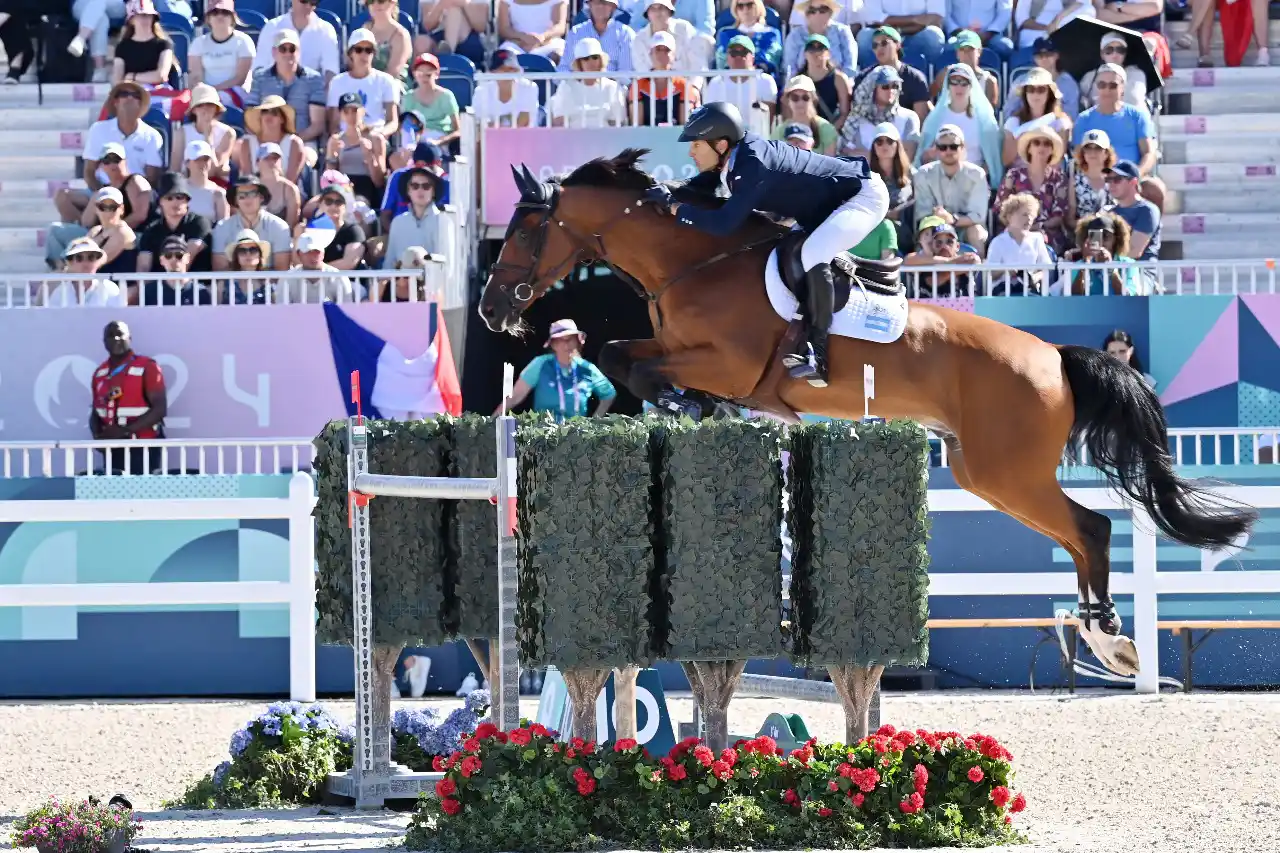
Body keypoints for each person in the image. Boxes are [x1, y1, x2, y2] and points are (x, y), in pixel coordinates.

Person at [643, 101, 889, 387]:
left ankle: (816, 353)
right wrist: (665, 188)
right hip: (823, 208)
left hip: (861, 197)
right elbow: (700, 185)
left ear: (721, 144)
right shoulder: (734, 159)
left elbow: (724, 225)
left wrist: (675, 209)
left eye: (696, 145)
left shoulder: (752, 164)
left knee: (812, 254)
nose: (691, 151)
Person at [494, 319, 617, 422]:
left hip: (576, 439)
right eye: (560, 340)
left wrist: (594, 424)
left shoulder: (588, 369)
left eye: (570, 339)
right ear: (552, 344)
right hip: (542, 436)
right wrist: (490, 423)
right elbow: (514, 397)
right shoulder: (540, 363)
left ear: (577, 341)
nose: (566, 345)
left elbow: (609, 394)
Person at [90, 320, 167, 476]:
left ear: (129, 338)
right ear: (104, 342)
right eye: (110, 336)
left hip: (143, 445)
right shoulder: (100, 373)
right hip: (112, 447)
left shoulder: (147, 366)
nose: (116, 339)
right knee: (115, 495)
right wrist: (97, 436)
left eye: (120, 334)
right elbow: (96, 412)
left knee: (143, 494)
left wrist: (124, 431)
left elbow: (160, 409)